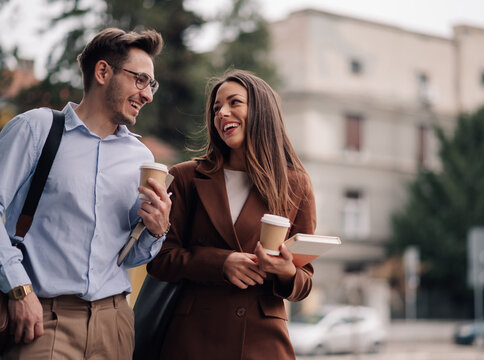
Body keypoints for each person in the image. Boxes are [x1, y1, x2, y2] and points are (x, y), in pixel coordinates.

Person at [0, 28, 171, 359]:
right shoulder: (36, 129)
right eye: (140, 80)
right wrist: (18, 289)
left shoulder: (141, 159)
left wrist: (155, 230)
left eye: (152, 85)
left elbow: (130, 256)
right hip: (41, 320)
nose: (148, 95)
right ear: (103, 72)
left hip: (116, 324)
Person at [147, 69, 317, 359]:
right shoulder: (186, 177)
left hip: (262, 342)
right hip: (193, 339)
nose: (222, 113)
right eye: (216, 108)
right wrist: (220, 263)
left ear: (261, 111)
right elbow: (160, 259)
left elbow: (304, 282)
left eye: (234, 103)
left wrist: (287, 271)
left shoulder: (295, 183)